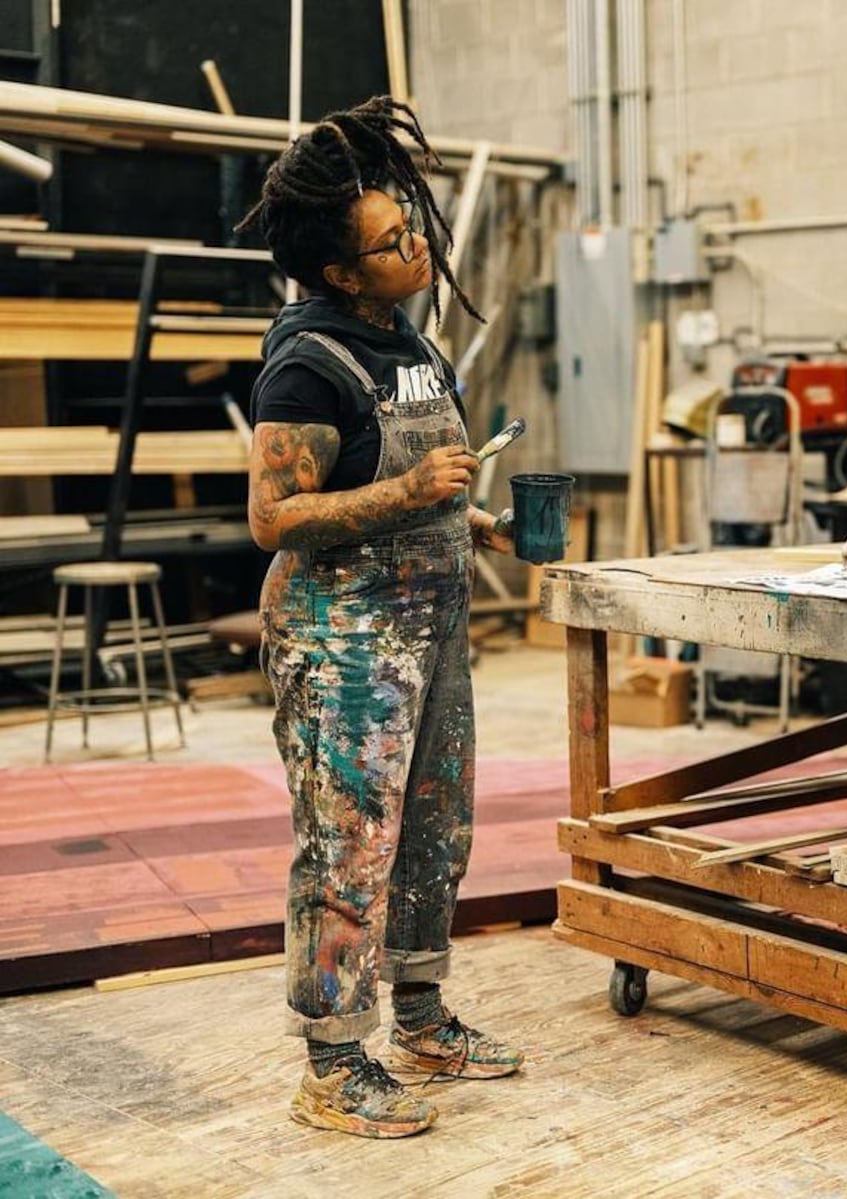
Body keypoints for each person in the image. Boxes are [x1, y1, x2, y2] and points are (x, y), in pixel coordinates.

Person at [240, 96, 523, 1140]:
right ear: (340, 272)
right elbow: (275, 517)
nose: (416, 243)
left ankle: (419, 1015)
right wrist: (406, 499)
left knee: (436, 831)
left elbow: (414, 471)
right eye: (392, 242)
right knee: (346, 845)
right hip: (344, 641)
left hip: (432, 626)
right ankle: (331, 1060)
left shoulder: (405, 337)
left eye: (411, 224)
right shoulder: (306, 360)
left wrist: (477, 519)